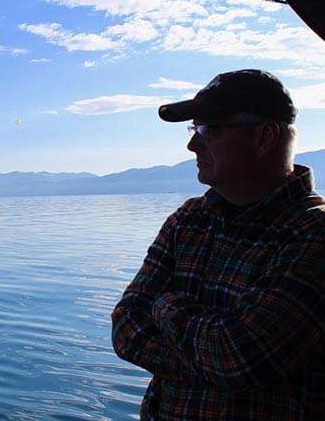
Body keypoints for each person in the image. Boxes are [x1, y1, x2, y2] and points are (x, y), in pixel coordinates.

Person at [111, 69, 325, 419]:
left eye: (209, 129)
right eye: (193, 129)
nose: (193, 144)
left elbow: (239, 360)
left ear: (264, 137)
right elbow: (124, 328)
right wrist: (212, 360)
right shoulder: (188, 220)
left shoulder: (314, 233)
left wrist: (165, 306)